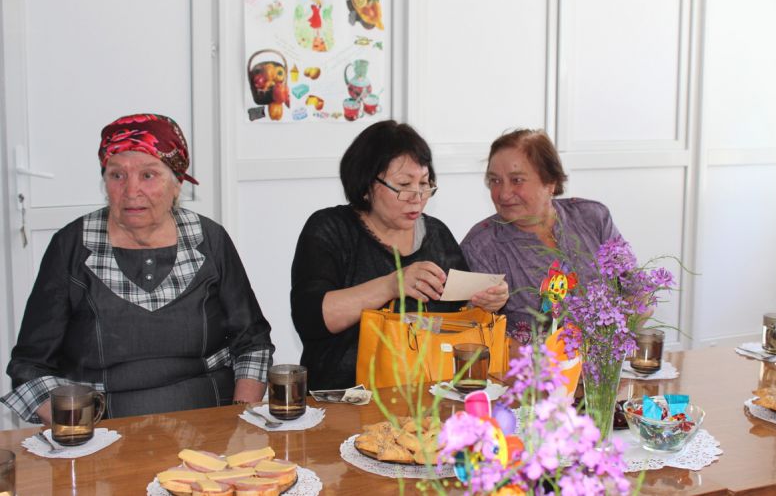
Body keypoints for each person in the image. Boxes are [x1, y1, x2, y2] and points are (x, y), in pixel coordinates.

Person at [1, 113, 274, 424]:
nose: (131, 191)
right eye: (117, 175)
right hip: (100, 429)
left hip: (209, 422)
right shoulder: (71, 246)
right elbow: (29, 366)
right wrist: (78, 433)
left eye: (148, 175)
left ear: (177, 184)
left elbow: (253, 343)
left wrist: (239, 422)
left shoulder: (210, 240)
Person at [291, 120, 508, 390]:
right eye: (404, 184)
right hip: (342, 397)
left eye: (425, 184)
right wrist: (392, 285)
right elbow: (310, 319)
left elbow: (459, 319)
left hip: (428, 394)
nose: (417, 197)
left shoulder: (437, 235)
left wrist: (487, 303)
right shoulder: (330, 229)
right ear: (366, 185)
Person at [461, 129, 622, 343]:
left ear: (550, 182)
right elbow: (476, 332)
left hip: (604, 358)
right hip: (530, 363)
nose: (504, 194)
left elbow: (635, 292)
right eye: (495, 180)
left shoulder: (592, 218)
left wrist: (612, 343)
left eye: (517, 180)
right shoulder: (481, 246)